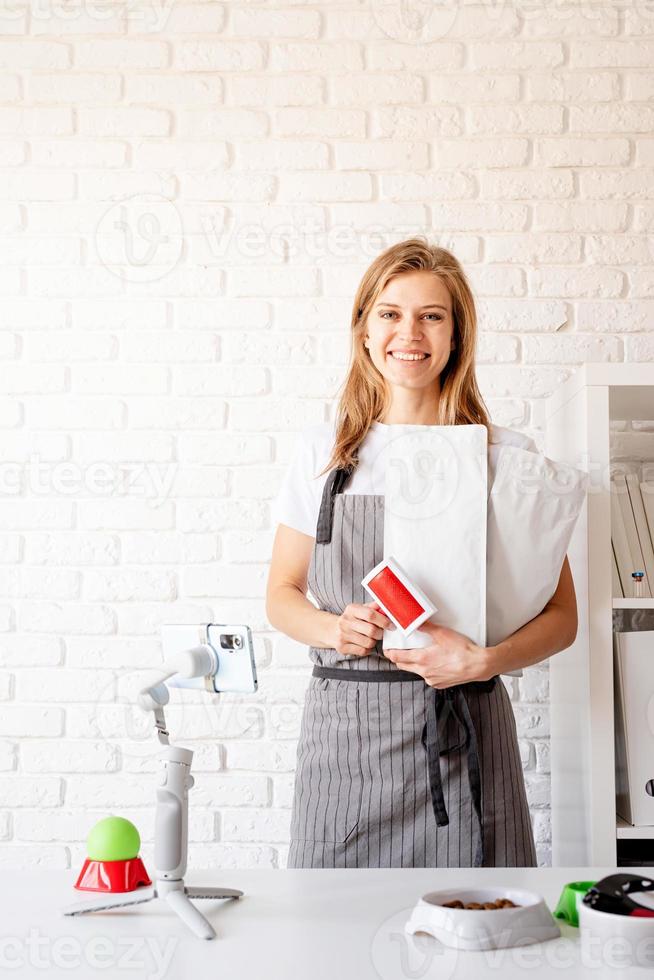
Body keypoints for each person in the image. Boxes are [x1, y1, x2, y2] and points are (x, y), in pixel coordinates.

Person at [266, 237, 578, 869]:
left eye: (432, 315)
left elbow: (563, 618)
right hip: (347, 739)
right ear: (363, 329)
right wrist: (333, 627)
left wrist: (485, 658)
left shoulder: (503, 458)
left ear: (457, 335)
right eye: (390, 313)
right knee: (338, 940)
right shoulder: (323, 449)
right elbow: (281, 593)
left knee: (477, 937)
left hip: (466, 729)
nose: (409, 332)